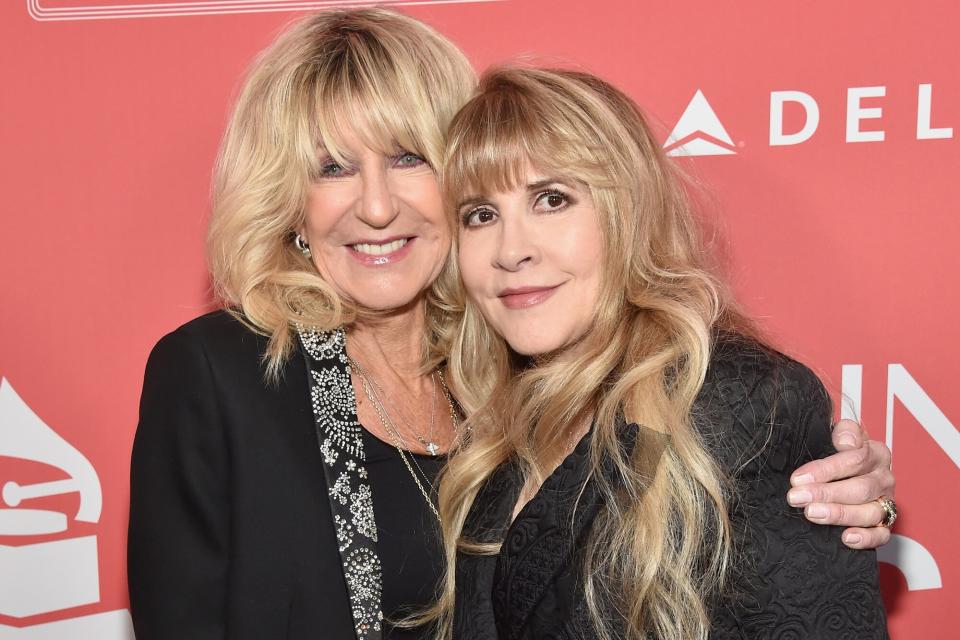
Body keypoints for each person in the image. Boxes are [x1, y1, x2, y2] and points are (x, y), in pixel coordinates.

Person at [127, 9, 894, 640]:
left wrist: (840, 498)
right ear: (288, 202)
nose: (376, 205)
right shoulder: (219, 376)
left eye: (406, 157)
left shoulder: (506, 371)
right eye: (331, 168)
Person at [435, 67, 890, 639]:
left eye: (552, 200)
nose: (511, 250)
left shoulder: (740, 402)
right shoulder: (497, 416)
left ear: (627, 213)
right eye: (481, 215)